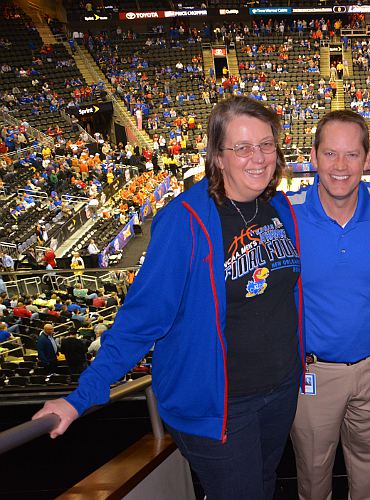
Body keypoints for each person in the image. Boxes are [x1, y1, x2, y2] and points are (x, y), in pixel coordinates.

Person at [33, 96, 304, 500]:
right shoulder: (184, 221)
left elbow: (283, 299)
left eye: (266, 144)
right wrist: (81, 397)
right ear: (217, 157)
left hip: (279, 392)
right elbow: (142, 319)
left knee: (263, 485)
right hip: (221, 406)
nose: (258, 157)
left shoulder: (279, 207)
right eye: (242, 147)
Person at [287, 110, 370, 500]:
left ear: (367, 159)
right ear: (313, 157)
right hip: (313, 373)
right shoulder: (286, 213)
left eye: (352, 155)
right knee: (314, 474)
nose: (340, 166)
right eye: (331, 154)